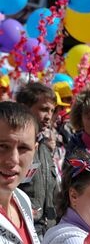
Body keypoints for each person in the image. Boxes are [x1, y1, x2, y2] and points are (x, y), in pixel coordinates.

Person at [15, 82, 59, 238]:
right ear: (24, 108)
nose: (49, 116)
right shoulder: (13, 147)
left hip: (48, 232)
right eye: (43, 109)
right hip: (23, 230)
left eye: (52, 111)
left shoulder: (44, 148)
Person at [0, 101, 40, 243]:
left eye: (23, 148)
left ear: (35, 150)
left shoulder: (22, 200)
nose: (13, 160)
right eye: (3, 146)